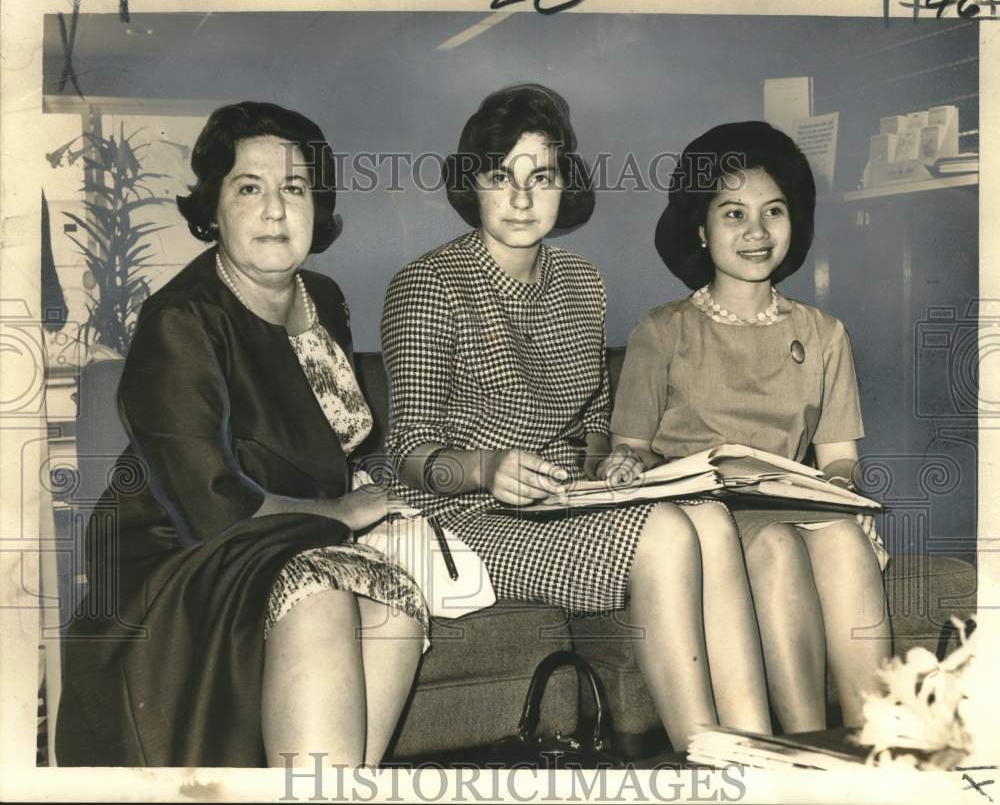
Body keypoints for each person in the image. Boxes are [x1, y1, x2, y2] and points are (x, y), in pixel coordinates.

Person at [380, 84, 772, 751]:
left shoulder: (582, 282)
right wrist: (487, 468)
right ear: (472, 183)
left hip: (565, 498)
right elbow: (409, 449)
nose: (522, 197)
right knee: (667, 536)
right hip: (457, 517)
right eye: (501, 176)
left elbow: (593, 410)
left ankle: (759, 755)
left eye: (543, 176)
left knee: (709, 516)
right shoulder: (428, 284)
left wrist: (608, 458)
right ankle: (709, 760)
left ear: (566, 186)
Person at [56, 102, 428, 768]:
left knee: (397, 600)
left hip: (291, 532)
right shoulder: (180, 321)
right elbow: (211, 504)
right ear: (213, 206)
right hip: (178, 556)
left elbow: (333, 445)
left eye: (294, 187)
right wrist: (342, 514)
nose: (275, 210)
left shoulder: (326, 298)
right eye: (248, 187)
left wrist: (376, 498)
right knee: (320, 590)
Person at [609, 121, 891, 732]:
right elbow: (628, 446)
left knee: (843, 536)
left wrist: (840, 485)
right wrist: (625, 461)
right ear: (700, 228)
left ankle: (883, 748)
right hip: (701, 522)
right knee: (777, 546)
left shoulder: (824, 334)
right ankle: (805, 745)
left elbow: (839, 459)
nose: (757, 232)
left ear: (796, 222)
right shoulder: (660, 331)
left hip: (790, 501)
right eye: (733, 213)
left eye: (774, 212)